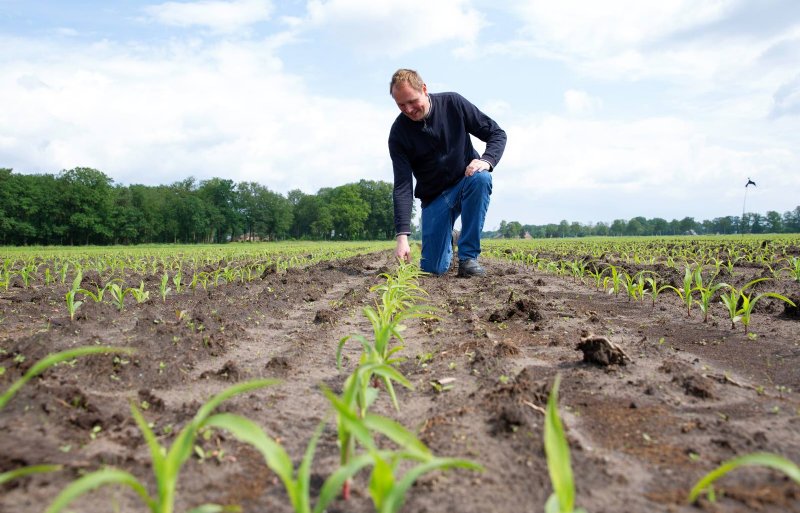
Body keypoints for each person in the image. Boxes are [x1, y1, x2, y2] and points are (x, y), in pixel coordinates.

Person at [388, 68, 507, 277]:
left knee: (481, 178)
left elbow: (496, 133)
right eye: (401, 105)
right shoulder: (399, 134)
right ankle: (450, 236)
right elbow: (403, 186)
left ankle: (468, 257)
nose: (408, 109)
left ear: (424, 89)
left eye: (412, 101)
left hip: (465, 182)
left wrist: (487, 161)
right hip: (434, 199)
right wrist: (402, 237)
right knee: (432, 269)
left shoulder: (453, 104)